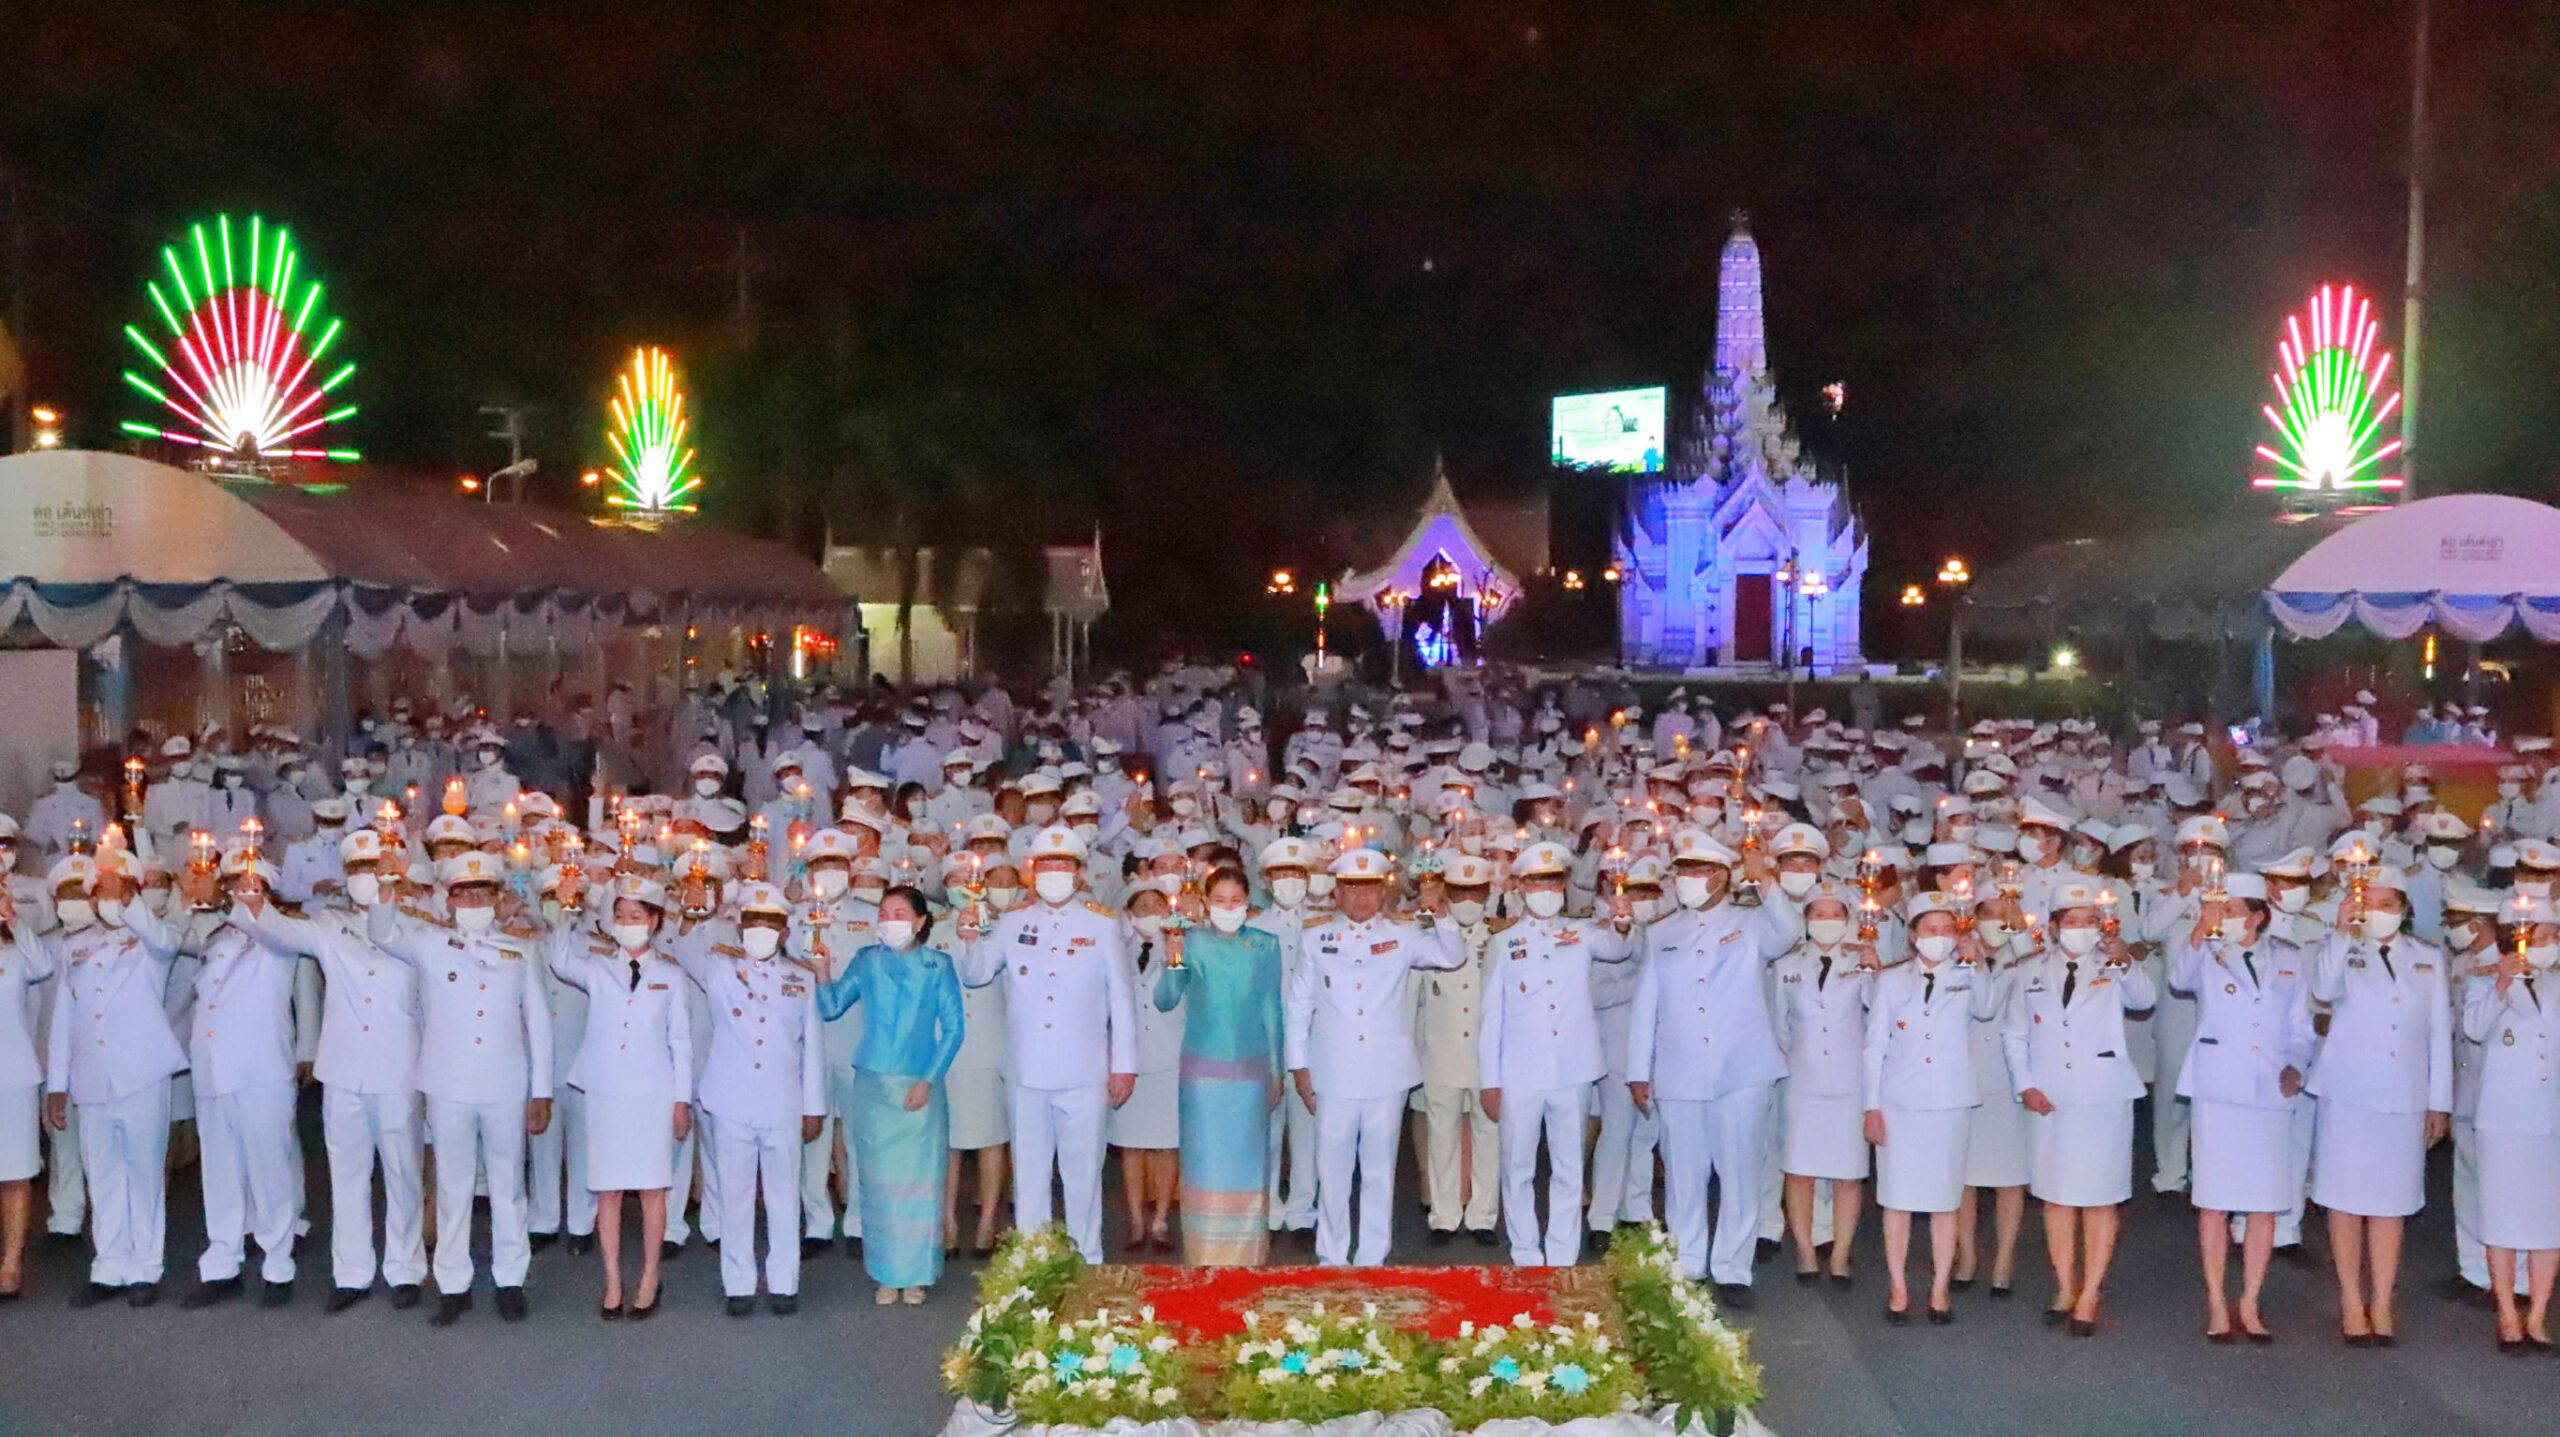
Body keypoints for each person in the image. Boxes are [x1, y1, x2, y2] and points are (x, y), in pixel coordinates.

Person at [225, 825, 429, 1311]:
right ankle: (351, 1273)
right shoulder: (328, 925)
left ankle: (405, 1268)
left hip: (399, 1067)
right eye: (357, 868)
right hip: (342, 1070)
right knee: (347, 1175)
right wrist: (252, 899)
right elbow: (276, 929)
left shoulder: (417, 924)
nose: (365, 876)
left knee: (403, 1173)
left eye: (372, 867)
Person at [362, 851, 552, 1326]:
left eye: (482, 893)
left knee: (509, 1187)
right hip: (448, 1084)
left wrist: (543, 1090)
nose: (473, 902)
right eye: (464, 894)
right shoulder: (428, 941)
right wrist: (386, 886)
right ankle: (452, 1282)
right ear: (448, 900)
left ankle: (510, 1278)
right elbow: (381, 932)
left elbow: (539, 1024)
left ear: (497, 898)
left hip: (505, 1083)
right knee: (453, 1186)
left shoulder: (521, 949)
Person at [1627, 827, 1799, 1305]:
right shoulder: (1662, 932)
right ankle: (1687, 1263)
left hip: (1741, 1069)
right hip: (1679, 1069)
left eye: (1696, 870)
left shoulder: (1751, 923)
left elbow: (1790, 932)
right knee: (1683, 1174)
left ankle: (1732, 1269)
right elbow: (1647, 1003)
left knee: (1740, 1173)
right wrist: (1638, 1069)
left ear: (1721, 876)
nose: (1684, 879)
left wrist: (1765, 880)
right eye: (1680, 870)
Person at [957, 825, 1135, 1265]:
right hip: (1026, 1072)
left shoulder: (1101, 924)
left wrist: (1124, 1065)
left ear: (1079, 872)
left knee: (1083, 1176)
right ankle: (1031, 1264)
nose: (1055, 872)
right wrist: (971, 939)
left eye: (1064, 864)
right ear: (1032, 872)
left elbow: (1121, 998)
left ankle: (1086, 1260)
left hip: (1084, 1072)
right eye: (1046, 865)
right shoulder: (1011, 922)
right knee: (1030, 1178)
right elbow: (976, 975)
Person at [1287, 846, 1463, 1267]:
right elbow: (1299, 1005)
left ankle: (1372, 1258)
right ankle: (1331, 1256)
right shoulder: (1315, 937)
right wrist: (1299, 1065)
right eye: (1351, 888)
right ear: (1337, 892)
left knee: (1379, 1171)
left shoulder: (1404, 934)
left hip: (1387, 1073)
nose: (1361, 897)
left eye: (1369, 888)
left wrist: (1440, 911)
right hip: (1333, 1071)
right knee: (1332, 1172)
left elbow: (1451, 956)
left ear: (1384, 892)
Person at [2002, 881, 2155, 1335]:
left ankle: (2090, 1292)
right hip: (2050, 1096)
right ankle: (2065, 1286)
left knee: (2100, 1197)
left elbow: (2145, 1000)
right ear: (2054, 926)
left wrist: (2124, 959)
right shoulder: (2029, 969)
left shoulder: (2113, 963)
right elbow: (2015, 1033)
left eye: (2090, 921)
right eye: (2071, 921)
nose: (2081, 929)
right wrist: (2025, 1085)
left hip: (2102, 1094)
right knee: (2057, 1196)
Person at [2310, 867, 2452, 1347]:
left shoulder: (2428, 959)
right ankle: (2352, 1299)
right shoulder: (2344, 950)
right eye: (2369, 903)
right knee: (2345, 1201)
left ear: (2404, 910)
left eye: (2388, 904)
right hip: (2349, 1094)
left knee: (2392, 1203)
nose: (2378, 912)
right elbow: (2323, 990)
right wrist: (2340, 930)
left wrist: (2438, 1102)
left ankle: (2383, 1300)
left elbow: (2439, 1036)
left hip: (2404, 1096)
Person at [1478, 840, 1635, 1268]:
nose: (1545, 891)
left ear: (1564, 885)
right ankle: (1526, 1252)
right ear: (1521, 887)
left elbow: (1617, 949)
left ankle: (1563, 1254)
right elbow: (1491, 1016)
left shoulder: (1583, 933)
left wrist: (1622, 922)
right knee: (1517, 1167)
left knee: (1569, 1167)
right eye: (1536, 882)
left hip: (1573, 1069)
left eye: (1552, 882)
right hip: (1519, 1072)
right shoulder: (1503, 943)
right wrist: (1489, 1080)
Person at [2172, 874, 2314, 1343]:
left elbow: (2301, 1027)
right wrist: (2201, 927)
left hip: (2270, 1092)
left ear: (2257, 916)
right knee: (2214, 1203)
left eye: (2232, 910)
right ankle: (2217, 1300)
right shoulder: (2207, 952)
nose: (2224, 917)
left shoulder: (2289, 959)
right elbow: (2178, 978)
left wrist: (2296, 1065)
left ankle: (2250, 1300)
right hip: (2218, 1091)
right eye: (2220, 908)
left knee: (2263, 1205)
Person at [43, 850, 188, 1306]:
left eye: (113, 890)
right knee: (102, 1173)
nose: (102, 899)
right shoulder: (75, 945)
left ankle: (145, 1266)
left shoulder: (151, 937)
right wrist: (57, 1084)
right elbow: (64, 1019)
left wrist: (128, 902)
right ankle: (108, 1266)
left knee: (143, 1171)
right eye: (98, 891)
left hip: (140, 1072)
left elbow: (165, 942)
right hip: (92, 1076)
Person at [674, 881, 826, 1315]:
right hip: (731, 1100)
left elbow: (812, 1046)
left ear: (785, 930)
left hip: (783, 1102)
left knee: (783, 1196)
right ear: (740, 927)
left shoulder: (801, 977)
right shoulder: (719, 968)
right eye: (753, 921)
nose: (761, 929)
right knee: (734, 1196)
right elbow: (684, 948)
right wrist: (692, 911)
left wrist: (813, 1107)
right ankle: (738, 1283)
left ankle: (784, 1282)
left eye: (771, 922)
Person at [547, 876, 694, 1320]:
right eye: (620, 916)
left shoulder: (670, 975)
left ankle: (650, 1275)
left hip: (653, 1094)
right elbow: (559, 961)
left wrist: (682, 1100)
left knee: (652, 1189)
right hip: (607, 1093)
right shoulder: (598, 967)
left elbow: (681, 1041)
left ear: (654, 921)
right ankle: (612, 1279)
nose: (627, 923)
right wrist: (566, 912)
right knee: (607, 1189)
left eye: (636, 916)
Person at [817, 885, 964, 1305]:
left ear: (919, 922)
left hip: (919, 1085)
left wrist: (928, 1079)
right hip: (874, 1085)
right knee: (879, 1185)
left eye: (900, 913)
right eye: (884, 913)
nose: (889, 920)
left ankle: (916, 1274)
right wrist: (823, 973)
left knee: (919, 1182)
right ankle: (885, 1273)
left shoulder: (938, 965)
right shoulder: (867, 960)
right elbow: (831, 1007)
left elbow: (954, 1029)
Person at [1864, 891, 1999, 1325]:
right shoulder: (1891, 980)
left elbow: (1987, 1008)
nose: (1939, 936)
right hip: (1899, 1103)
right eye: (1930, 929)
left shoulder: (1967, 973)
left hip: (1948, 1102)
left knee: (1945, 1200)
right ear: (1913, 935)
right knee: (1896, 1200)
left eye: (1947, 929)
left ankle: (1939, 1287)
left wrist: (1977, 961)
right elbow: (1874, 1047)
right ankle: (1899, 1285)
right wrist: (1871, 1106)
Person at [1152, 866, 1285, 1265]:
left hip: (1250, 1075)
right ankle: (1203, 1255)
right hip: (1202, 1079)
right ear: (1206, 904)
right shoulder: (1190, 942)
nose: (1229, 908)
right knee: (1205, 1165)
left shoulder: (1265, 945)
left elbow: (1272, 1008)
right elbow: (1165, 1000)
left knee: (1248, 1165)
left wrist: (1277, 1069)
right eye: (1220, 900)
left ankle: (1247, 1256)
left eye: (1236, 900)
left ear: (1249, 902)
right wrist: (1173, 960)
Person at [1772, 883, 1875, 1287]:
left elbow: (1876, 1013)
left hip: (1850, 1082)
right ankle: (1804, 1250)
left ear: (1848, 920)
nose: (1827, 921)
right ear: (1806, 918)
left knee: (1849, 1174)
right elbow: (1779, 1024)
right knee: (1799, 1172)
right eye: (1819, 913)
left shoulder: (1860, 960)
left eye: (1835, 914)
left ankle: (1841, 1254)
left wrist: (1874, 969)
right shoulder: (1787, 965)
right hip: (1802, 1082)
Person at [1414, 853, 1500, 1247]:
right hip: (1440, 1053)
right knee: (1442, 1138)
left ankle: (1483, 1216)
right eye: (1461, 892)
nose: (1468, 901)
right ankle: (1444, 1216)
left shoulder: (1500, 937)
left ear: (1488, 894)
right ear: (1447, 893)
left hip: (1487, 1058)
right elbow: (1415, 1000)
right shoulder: (1426, 934)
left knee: (1488, 1136)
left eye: (1476, 892)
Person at [1110, 878, 1186, 1253]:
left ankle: (1161, 1219)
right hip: (1128, 1058)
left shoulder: (1182, 946)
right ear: (1129, 913)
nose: (1150, 913)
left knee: (1166, 1143)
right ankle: (1136, 1219)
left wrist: (1176, 958)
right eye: (1142, 906)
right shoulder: (1115, 948)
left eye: (1158, 906)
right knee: (1132, 1145)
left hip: (1169, 1055)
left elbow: (1172, 997)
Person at [943, 864, 1014, 1258]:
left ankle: (988, 1221)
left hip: (990, 1045)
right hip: (946, 1048)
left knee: (991, 1138)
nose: (963, 887)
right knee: (948, 1140)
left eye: (969, 879)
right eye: (954, 880)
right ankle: (947, 1221)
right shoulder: (933, 929)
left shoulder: (1001, 927)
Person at [0, 884, 56, 1300]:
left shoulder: (17, 954)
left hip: (14, 1075)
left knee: (15, 1173)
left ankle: (11, 1263)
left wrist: (14, 920)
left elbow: (43, 965)